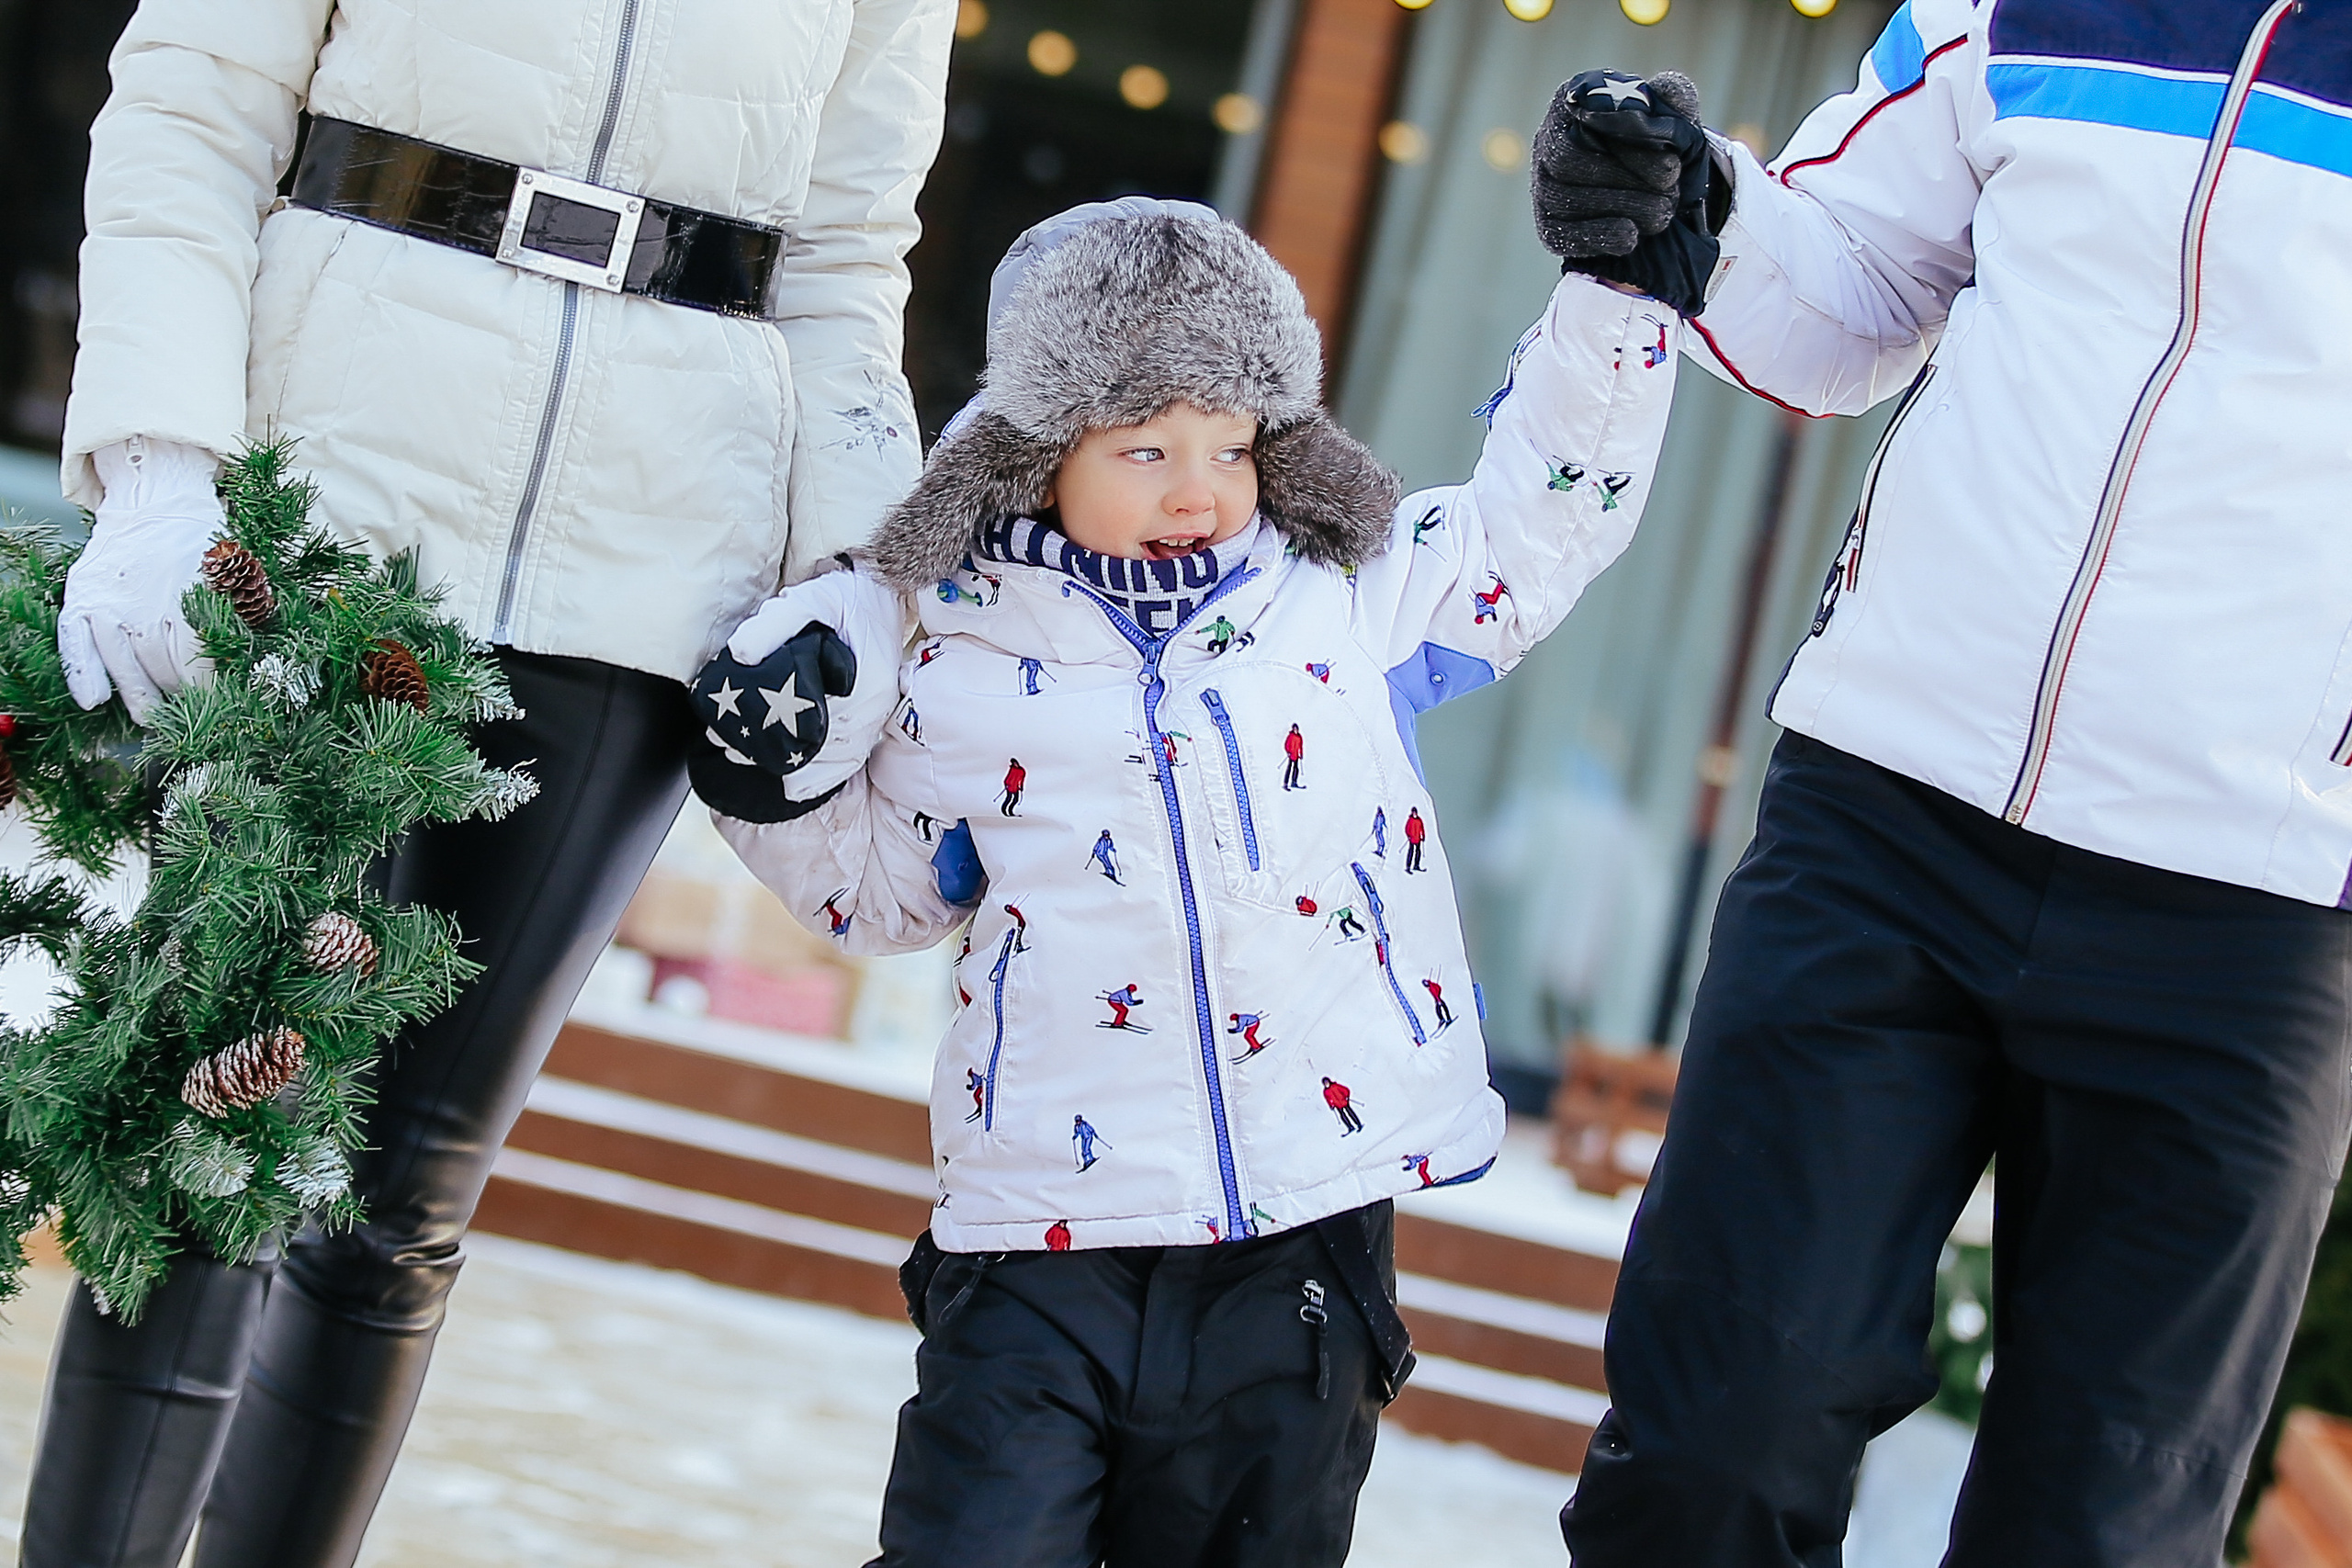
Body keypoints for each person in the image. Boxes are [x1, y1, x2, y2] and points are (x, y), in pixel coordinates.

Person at [30, 3, 953, 1565]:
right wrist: (164, 461)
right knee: (210, 1135)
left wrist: (860, 566)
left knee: (398, 1203)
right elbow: (195, 105)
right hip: (322, 500)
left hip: (648, 558)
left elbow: (847, 255)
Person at [692, 196, 1684, 1566]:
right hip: (1043, 1238)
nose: (1197, 492)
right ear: (1039, 450)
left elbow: (1541, 522)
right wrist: (777, 789)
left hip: (1297, 1247)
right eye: (1145, 448)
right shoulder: (956, 652)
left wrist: (1620, 296)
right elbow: (880, 896)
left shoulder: (1343, 601)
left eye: (1230, 445)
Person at [1531, 17, 2352, 1565]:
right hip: (1891, 816)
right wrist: (1690, 205)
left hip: (2253, 902)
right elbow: (1853, 292)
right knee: (1710, 1446)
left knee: (2099, 1523)